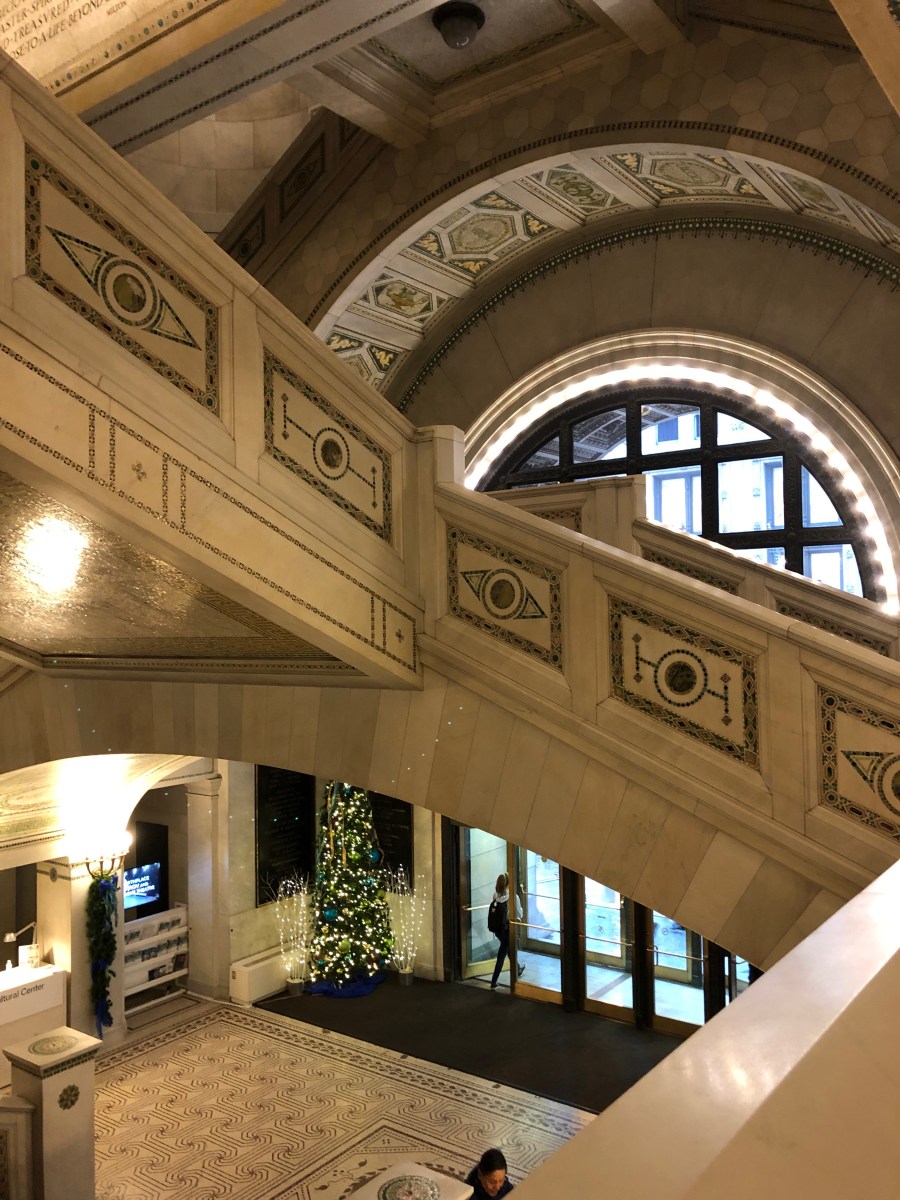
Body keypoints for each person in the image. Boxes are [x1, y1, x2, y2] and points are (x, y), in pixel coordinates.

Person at [489, 872, 524, 990]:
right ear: (508, 884)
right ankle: (494, 981)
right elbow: (519, 914)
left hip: (498, 930)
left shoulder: (495, 896)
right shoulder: (513, 897)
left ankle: (517, 968)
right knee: (501, 955)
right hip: (507, 929)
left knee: (507, 949)